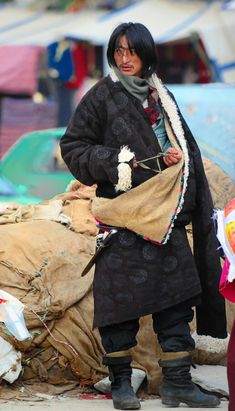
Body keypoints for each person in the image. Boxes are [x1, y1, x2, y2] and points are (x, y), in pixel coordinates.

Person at [60, 22, 227, 410]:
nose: (125, 58)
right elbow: (73, 147)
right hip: (123, 218)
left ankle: (178, 384)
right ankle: (120, 383)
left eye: (132, 51)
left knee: (176, 302)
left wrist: (171, 156)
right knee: (119, 307)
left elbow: (177, 144)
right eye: (118, 51)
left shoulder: (161, 95)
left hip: (164, 218)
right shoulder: (102, 95)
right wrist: (115, 162)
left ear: (146, 53)